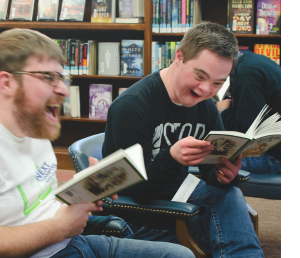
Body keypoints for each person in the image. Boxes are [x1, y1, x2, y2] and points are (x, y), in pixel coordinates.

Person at [0, 28, 195, 258]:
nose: (63, 89)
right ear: (7, 83)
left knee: (181, 255)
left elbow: (37, 200)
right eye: (48, 77)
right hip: (50, 248)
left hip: (72, 240)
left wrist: (81, 189)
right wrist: (60, 227)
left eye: (62, 78)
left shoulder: (34, 127)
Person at [102, 22, 264, 257]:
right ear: (179, 56)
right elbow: (137, 191)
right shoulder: (132, 106)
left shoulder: (206, 107)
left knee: (229, 194)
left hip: (180, 198)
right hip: (138, 214)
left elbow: (209, 172)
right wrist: (173, 158)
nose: (207, 89)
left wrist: (223, 175)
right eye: (200, 76)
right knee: (229, 223)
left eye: (218, 83)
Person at [216, 51, 281, 175]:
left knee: (206, 161)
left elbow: (248, 134)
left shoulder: (245, 74)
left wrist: (223, 111)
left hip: (275, 158)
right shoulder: (251, 60)